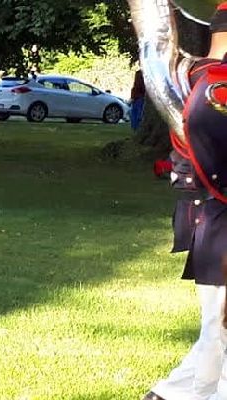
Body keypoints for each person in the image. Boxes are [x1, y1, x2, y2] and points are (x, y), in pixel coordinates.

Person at [148, 10, 227, 398]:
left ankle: (170, 393)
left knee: (217, 325)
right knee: (218, 324)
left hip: (210, 214)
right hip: (218, 214)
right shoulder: (216, 84)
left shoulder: (194, 76)